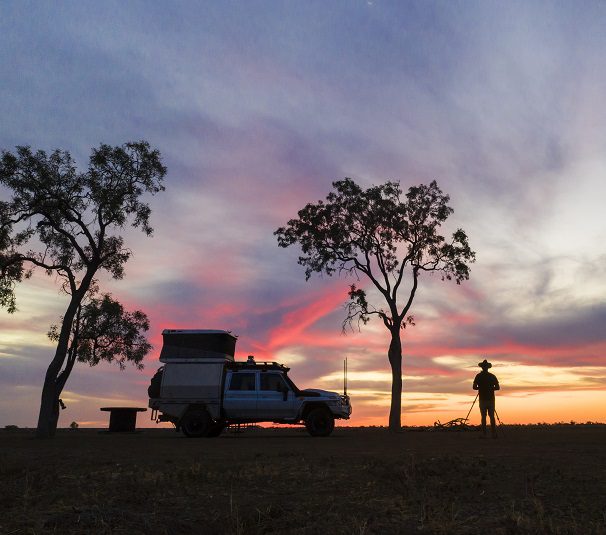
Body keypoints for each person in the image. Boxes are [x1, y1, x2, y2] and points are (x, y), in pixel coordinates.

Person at [473, 359, 500, 438]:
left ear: (482, 367)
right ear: (488, 368)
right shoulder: (492, 376)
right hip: (491, 399)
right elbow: (498, 387)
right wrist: (490, 388)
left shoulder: (478, 376)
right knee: (492, 416)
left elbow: (474, 387)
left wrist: (481, 388)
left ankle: (484, 434)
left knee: (483, 417)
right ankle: (493, 434)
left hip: (482, 399)